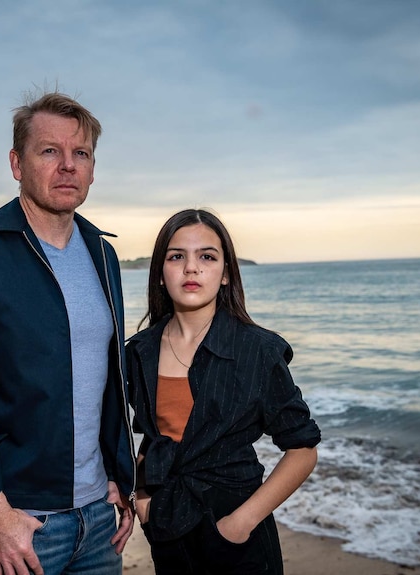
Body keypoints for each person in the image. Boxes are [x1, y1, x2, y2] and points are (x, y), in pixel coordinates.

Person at [0, 91, 136, 575]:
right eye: (49, 151)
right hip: (22, 520)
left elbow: (107, 380)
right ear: (17, 163)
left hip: (101, 521)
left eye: (80, 153)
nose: (68, 166)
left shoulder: (103, 255)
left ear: (92, 167)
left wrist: (119, 476)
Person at [126, 209, 320, 574]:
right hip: (168, 531)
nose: (191, 268)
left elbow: (303, 450)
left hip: (237, 536)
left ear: (226, 272)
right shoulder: (139, 351)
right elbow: (153, 438)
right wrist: (143, 500)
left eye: (207, 256)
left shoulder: (258, 351)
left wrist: (240, 523)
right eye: (177, 256)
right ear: (161, 272)